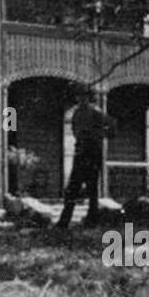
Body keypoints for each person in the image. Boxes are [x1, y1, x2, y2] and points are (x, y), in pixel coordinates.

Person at [56, 88, 117, 228]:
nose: (81, 99)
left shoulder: (96, 112)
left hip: (93, 153)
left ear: (89, 98)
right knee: (72, 188)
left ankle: (92, 220)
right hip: (80, 152)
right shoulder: (76, 113)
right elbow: (74, 130)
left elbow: (113, 125)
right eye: (79, 96)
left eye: (84, 96)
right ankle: (64, 221)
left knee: (92, 189)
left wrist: (99, 135)